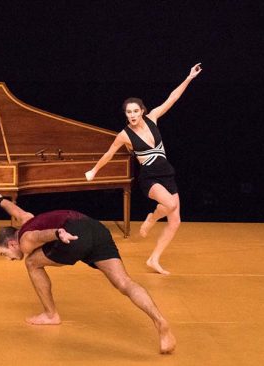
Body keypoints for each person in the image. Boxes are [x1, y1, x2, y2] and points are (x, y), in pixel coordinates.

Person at [0, 188, 176, 354]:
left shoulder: (24, 241)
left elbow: (38, 235)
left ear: (11, 243)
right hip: (96, 229)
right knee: (124, 282)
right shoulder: (27, 219)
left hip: (70, 234)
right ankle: (160, 321)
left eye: (4, 253)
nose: (8, 259)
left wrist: (58, 233)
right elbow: (15, 209)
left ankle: (51, 315)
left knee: (32, 262)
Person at [85, 63, 203, 275]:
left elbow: (172, 98)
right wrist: (94, 171)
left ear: (142, 111)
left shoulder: (153, 118)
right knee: (168, 203)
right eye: (128, 112)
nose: (132, 115)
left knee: (175, 221)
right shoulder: (124, 135)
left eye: (135, 111)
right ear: (126, 114)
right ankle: (151, 218)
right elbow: (109, 154)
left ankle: (153, 259)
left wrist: (189, 78)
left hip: (167, 173)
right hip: (149, 178)